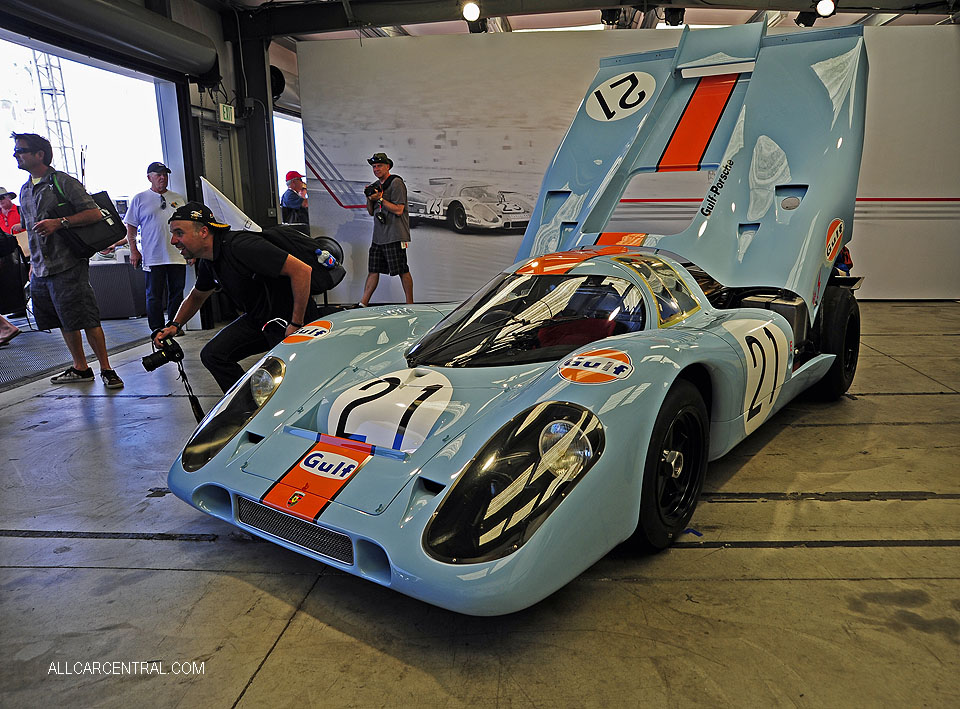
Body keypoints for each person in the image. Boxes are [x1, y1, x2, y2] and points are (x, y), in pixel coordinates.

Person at [153, 201, 319, 392]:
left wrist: (296, 323)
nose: (173, 240)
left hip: (290, 321)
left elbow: (302, 271)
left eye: (179, 233)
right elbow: (197, 296)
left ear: (204, 231)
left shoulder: (242, 246)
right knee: (214, 355)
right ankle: (248, 405)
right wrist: (174, 325)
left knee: (293, 385)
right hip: (259, 320)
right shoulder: (209, 260)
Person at [12, 132, 123, 388]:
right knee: (64, 318)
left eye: (21, 151)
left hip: (68, 263)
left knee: (86, 316)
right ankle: (80, 367)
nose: (16, 155)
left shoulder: (62, 182)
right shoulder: (25, 189)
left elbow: (95, 213)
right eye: (15, 151)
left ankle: (107, 369)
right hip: (41, 268)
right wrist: (32, 264)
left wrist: (59, 223)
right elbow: (32, 231)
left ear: (40, 154)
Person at [123, 161, 189, 332]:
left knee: (177, 293)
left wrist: (190, 252)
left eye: (165, 175)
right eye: (158, 175)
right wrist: (133, 250)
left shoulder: (177, 199)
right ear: (149, 177)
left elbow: (187, 227)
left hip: (177, 255)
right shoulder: (140, 199)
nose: (162, 178)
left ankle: (174, 326)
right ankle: (156, 328)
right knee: (154, 295)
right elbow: (130, 227)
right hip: (153, 256)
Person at [359, 152, 413, 306]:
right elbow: (371, 212)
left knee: (402, 269)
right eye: (374, 166)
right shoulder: (375, 186)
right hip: (379, 237)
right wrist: (369, 198)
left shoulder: (396, 183)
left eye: (379, 166)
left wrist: (381, 198)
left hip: (394, 235)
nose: (376, 169)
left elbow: (398, 210)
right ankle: (363, 304)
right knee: (373, 270)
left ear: (388, 166)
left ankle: (410, 304)